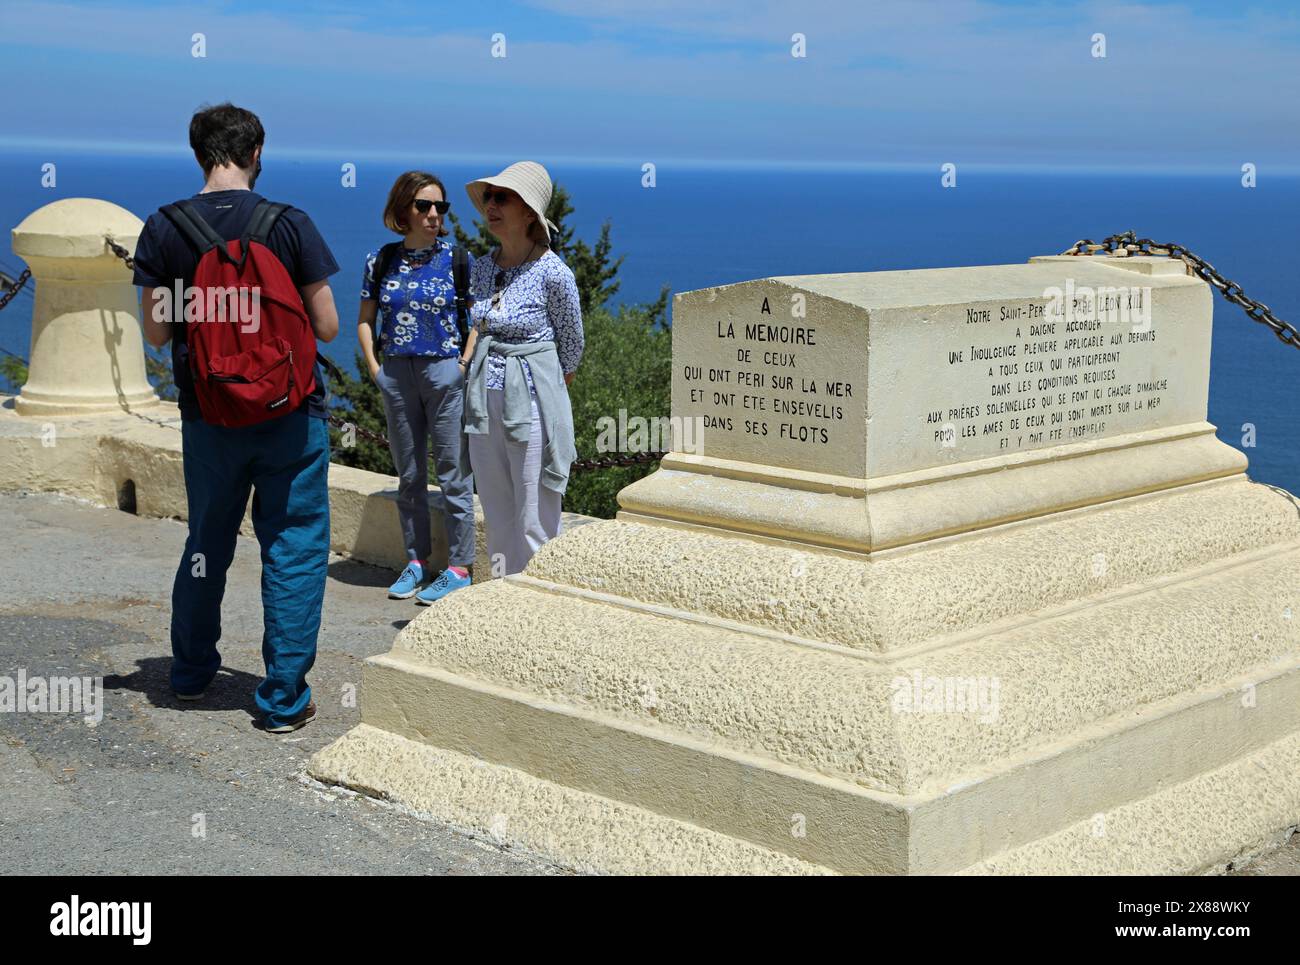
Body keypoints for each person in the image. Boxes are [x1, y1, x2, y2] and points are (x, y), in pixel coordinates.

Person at [133, 103, 340, 734]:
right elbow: (328, 325)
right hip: (290, 416)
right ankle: (281, 700)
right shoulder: (289, 224)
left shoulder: (165, 228)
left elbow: (157, 333)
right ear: (257, 153)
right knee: (294, 546)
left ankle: (191, 674)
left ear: (198, 153)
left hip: (209, 416)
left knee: (207, 544)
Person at [358, 172, 475, 604]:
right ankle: (415, 562)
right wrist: (377, 370)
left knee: (453, 474)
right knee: (409, 474)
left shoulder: (459, 259)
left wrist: (460, 365)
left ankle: (459, 567)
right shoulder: (381, 260)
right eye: (424, 206)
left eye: (440, 208)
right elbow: (365, 320)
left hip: (443, 371)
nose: (433, 215)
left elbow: (477, 320)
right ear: (402, 209)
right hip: (396, 372)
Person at [462, 161, 583, 576]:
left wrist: (543, 389)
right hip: (483, 400)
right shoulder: (482, 267)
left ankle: (540, 613)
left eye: (503, 198)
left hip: (530, 401)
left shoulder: (553, 272)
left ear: (529, 211)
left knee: (534, 518)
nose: (491, 205)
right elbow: (478, 328)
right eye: (489, 197)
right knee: (496, 514)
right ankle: (501, 603)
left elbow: (571, 347)